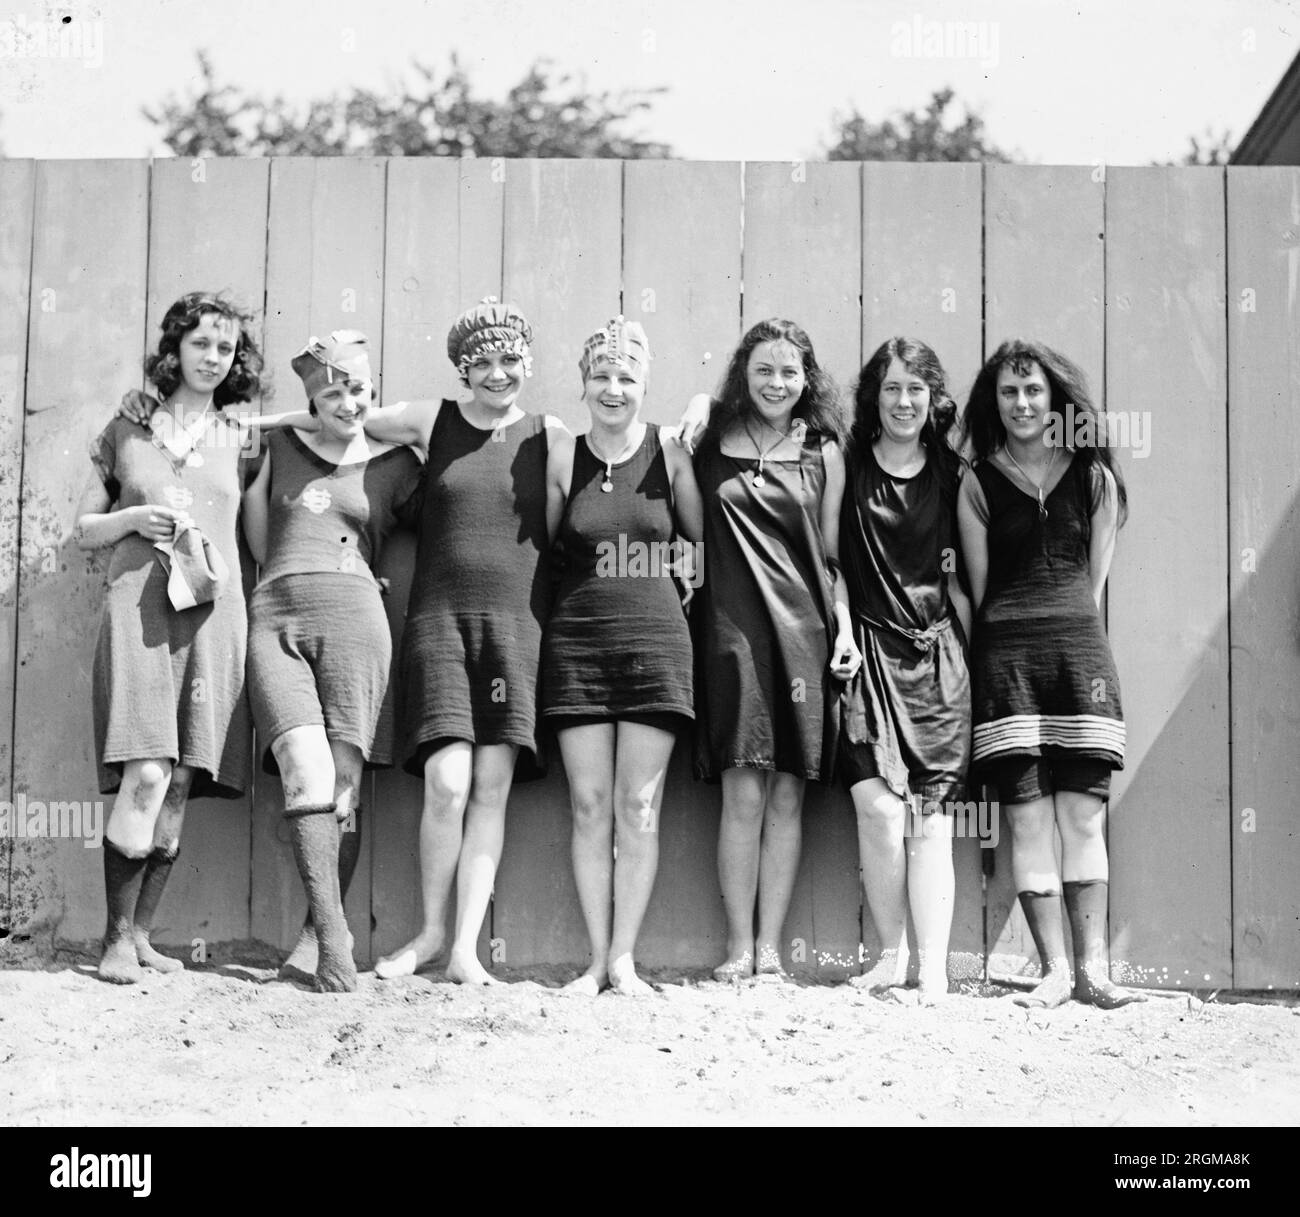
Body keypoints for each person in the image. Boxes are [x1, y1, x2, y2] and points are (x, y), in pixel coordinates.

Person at [356, 300, 573, 985]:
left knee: (490, 786)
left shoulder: (550, 435)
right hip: (440, 624)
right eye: (482, 361)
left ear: (528, 363)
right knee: (446, 784)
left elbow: (578, 515)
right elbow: (352, 418)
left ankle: (464, 952)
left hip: (517, 629)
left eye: (510, 359)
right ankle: (429, 931)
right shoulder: (435, 420)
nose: (498, 372)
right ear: (462, 368)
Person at [76, 292, 265, 984]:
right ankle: (115, 938)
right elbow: (83, 529)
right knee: (147, 767)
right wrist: (133, 520)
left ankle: (144, 933)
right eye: (202, 344)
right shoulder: (128, 429)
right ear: (174, 350)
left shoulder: (244, 435)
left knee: (181, 779)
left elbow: (259, 539)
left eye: (227, 348)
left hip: (214, 614)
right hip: (140, 610)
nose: (214, 358)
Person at [957, 338, 1144, 1009]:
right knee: (1028, 822)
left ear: (1056, 397)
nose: (1023, 402)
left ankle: (1094, 972)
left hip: (1079, 661)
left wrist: (1061, 626)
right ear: (994, 402)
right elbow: (980, 592)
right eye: (1009, 392)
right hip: (1007, 666)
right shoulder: (977, 483)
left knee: (1083, 821)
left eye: (1033, 389)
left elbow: (1091, 585)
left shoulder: (1093, 477)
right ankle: (1053, 972)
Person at [240, 331, 423, 993]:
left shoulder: (398, 462)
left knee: (344, 780)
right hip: (277, 612)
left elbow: (462, 503)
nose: (348, 403)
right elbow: (259, 541)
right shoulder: (278, 448)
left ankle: (317, 943)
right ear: (309, 399)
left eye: (359, 390)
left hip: (356, 619)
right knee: (302, 768)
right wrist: (281, 421)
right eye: (332, 392)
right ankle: (339, 935)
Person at [680, 319, 859, 982]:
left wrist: (842, 627)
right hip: (731, 633)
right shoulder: (707, 444)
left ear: (807, 378)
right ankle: (735, 945)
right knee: (742, 795)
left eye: (789, 371)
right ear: (742, 374)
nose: (777, 383)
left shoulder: (825, 452)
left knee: (787, 796)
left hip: (805, 636)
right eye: (764, 370)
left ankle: (769, 950)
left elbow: (834, 556)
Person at [542, 318, 703, 996]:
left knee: (638, 806)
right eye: (602, 377)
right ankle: (592, 958)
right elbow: (548, 548)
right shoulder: (560, 453)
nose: (614, 389)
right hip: (577, 643)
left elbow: (698, 535)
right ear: (583, 384)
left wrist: (690, 558)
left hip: (655, 645)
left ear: (645, 386)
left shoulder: (670, 450)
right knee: (589, 804)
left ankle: (623, 960)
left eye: (627, 378)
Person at [839, 338, 972, 1004]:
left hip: (938, 662)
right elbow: (831, 562)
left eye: (916, 387)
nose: (903, 400)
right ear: (875, 396)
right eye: (891, 387)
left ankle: (934, 970)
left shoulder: (954, 472)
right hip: (866, 655)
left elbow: (973, 575)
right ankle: (891, 956)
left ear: (933, 398)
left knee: (933, 819)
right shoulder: (849, 465)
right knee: (880, 812)